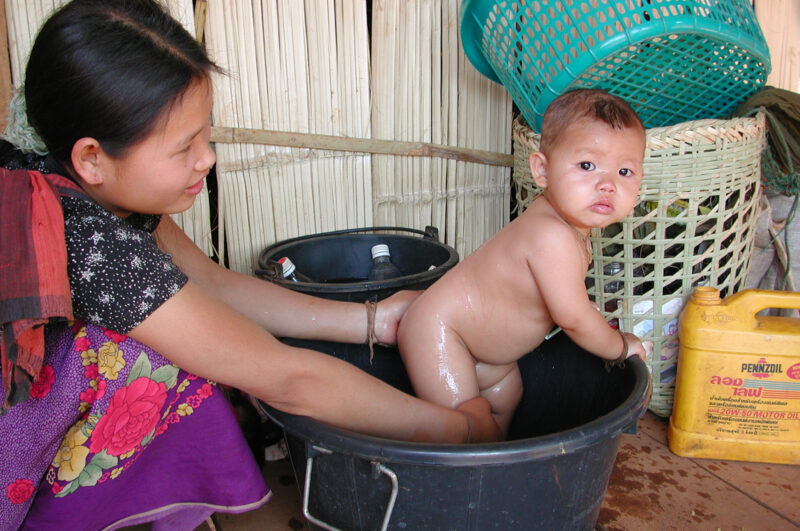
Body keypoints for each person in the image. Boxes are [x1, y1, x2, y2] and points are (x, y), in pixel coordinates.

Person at [0, 1, 500, 529]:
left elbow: (209, 282)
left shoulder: (85, 184)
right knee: (158, 358)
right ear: (92, 158)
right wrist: (458, 431)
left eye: (206, 132)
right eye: (183, 147)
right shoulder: (88, 238)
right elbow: (288, 380)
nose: (207, 158)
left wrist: (375, 319)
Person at [397, 89, 649, 436]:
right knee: (468, 425)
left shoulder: (573, 226)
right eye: (587, 165)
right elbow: (574, 319)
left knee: (507, 401)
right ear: (542, 171)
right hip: (443, 333)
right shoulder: (551, 235)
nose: (607, 184)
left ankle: (496, 465)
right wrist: (620, 346)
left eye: (625, 171)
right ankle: (474, 466)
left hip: (490, 354)